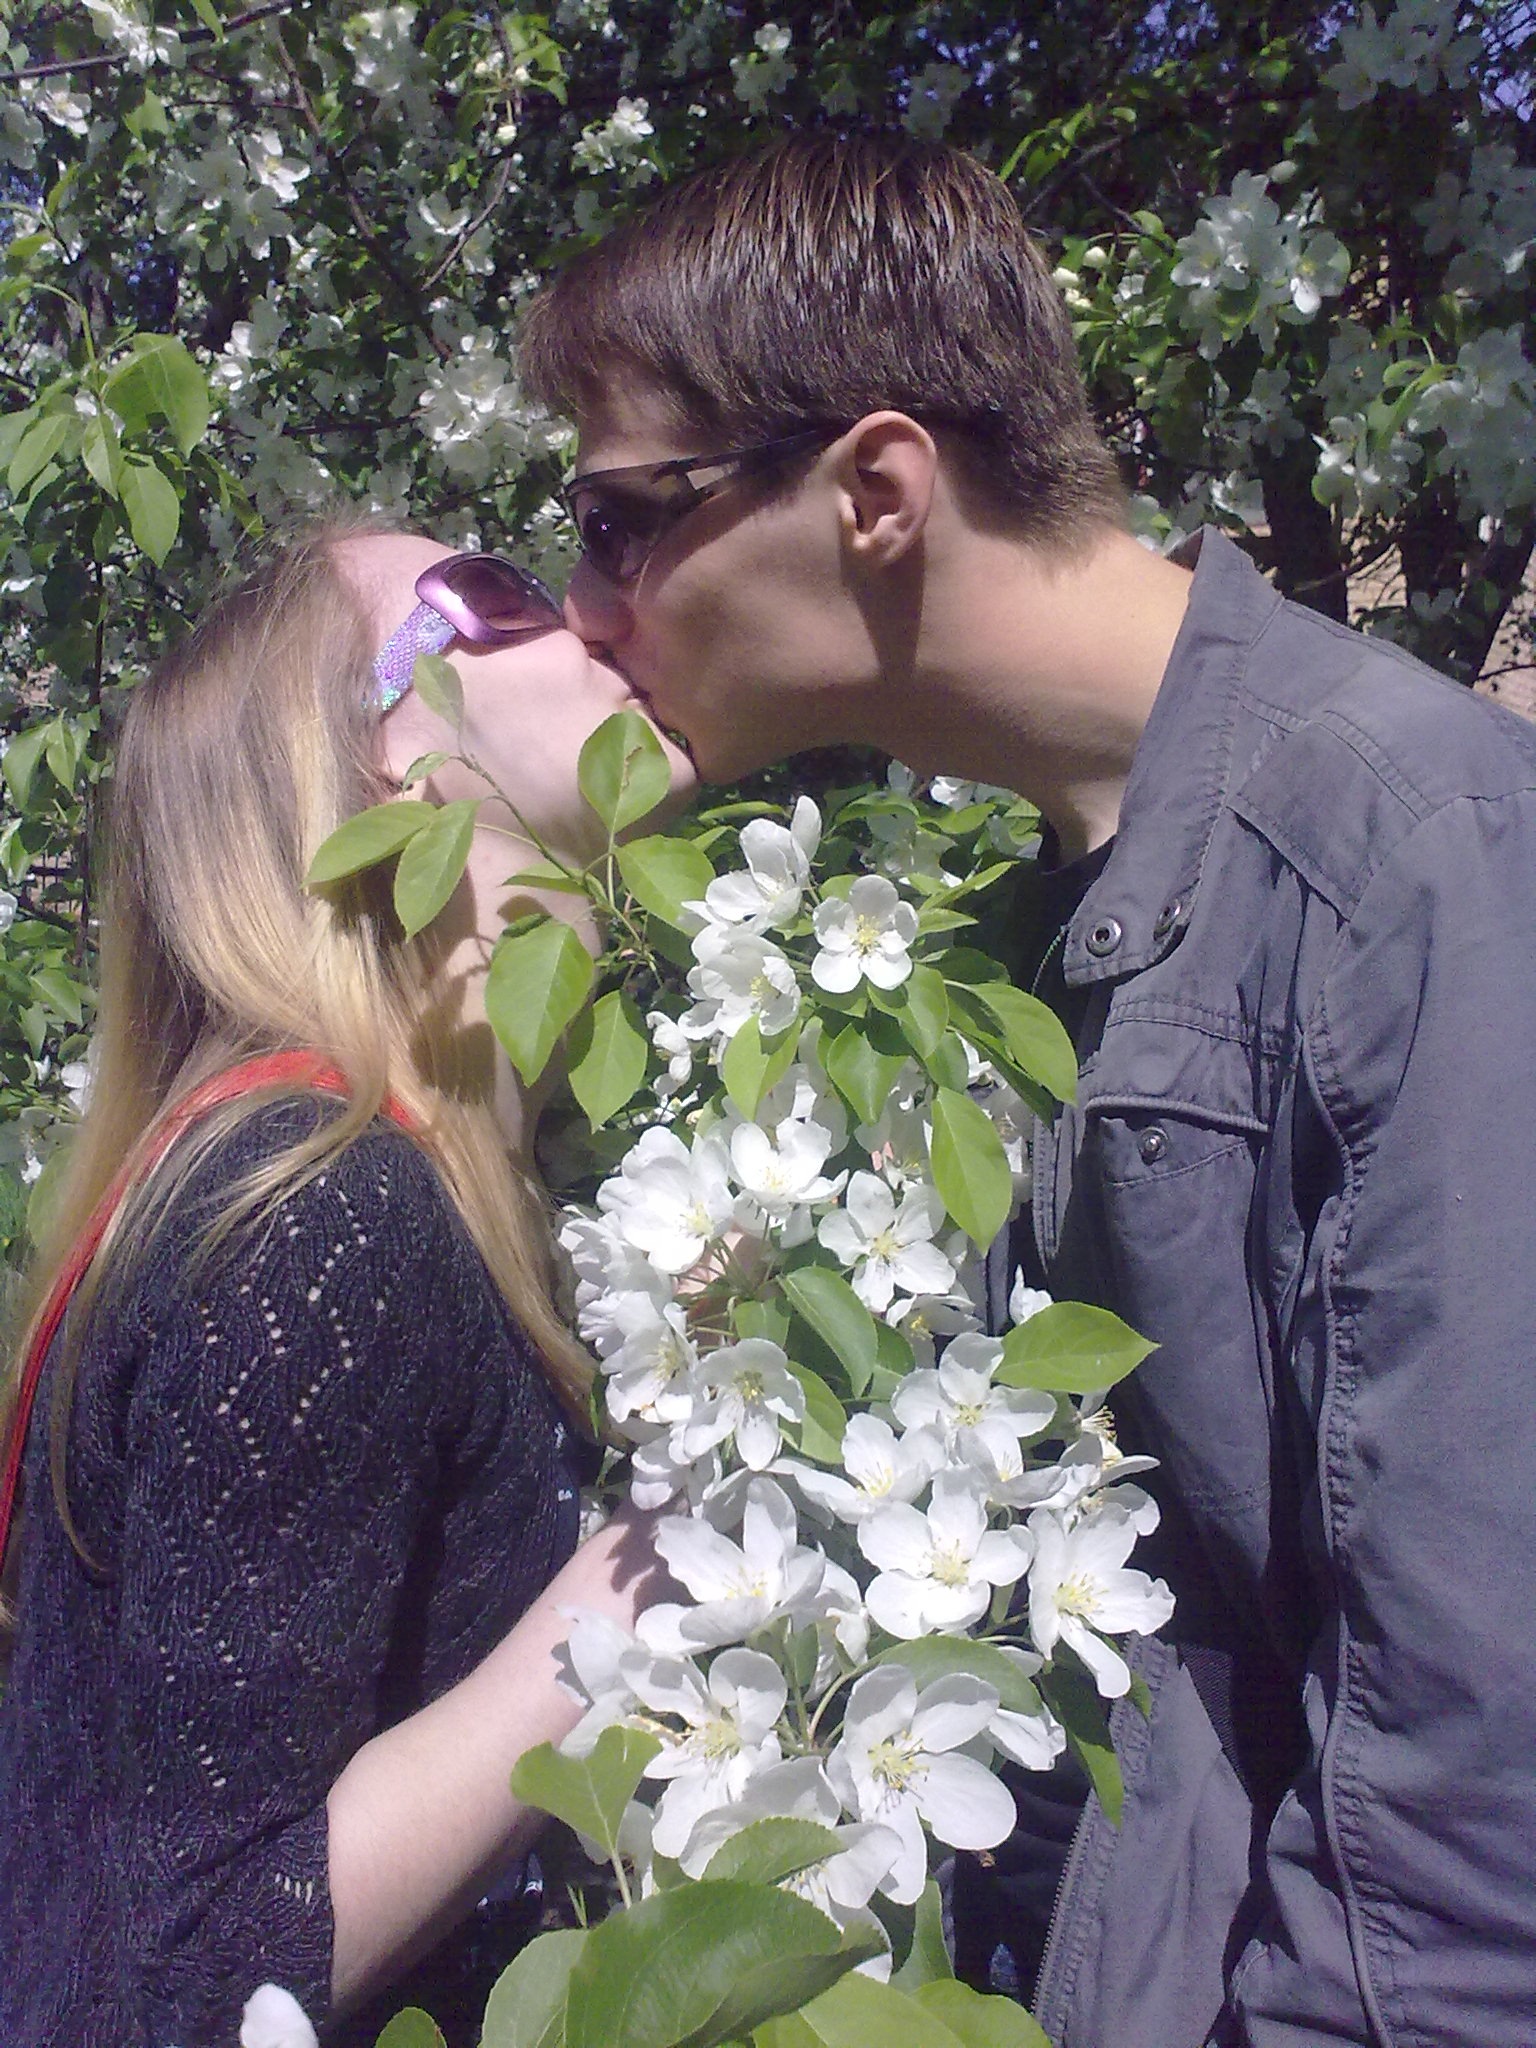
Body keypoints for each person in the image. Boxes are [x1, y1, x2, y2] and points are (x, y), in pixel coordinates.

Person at [517, 132, 1536, 2047]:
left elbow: (1473, 1855)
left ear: (876, 493)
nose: (584, 605)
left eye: (620, 518)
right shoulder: (1011, 918)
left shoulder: (1416, 862)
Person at [0, 525, 693, 2046]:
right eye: (499, 591)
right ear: (393, 758)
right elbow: (197, 1973)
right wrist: (649, 1582)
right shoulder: (318, 1217)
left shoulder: (422, 1188)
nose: (592, 610)